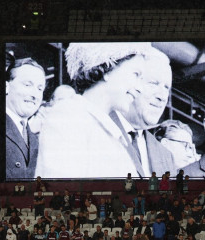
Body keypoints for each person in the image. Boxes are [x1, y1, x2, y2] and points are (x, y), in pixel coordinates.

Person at [35, 43, 169, 178]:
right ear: (108, 68)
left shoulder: (114, 133)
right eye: (135, 74)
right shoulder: (69, 117)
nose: (139, 87)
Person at [110, 48, 177, 177]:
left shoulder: (166, 156)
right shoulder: (98, 126)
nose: (162, 96)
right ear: (132, 83)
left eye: (166, 88)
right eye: (153, 83)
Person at [5, 54, 47, 180]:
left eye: (40, 89)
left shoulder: (35, 138)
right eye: (27, 85)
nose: (35, 94)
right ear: (6, 87)